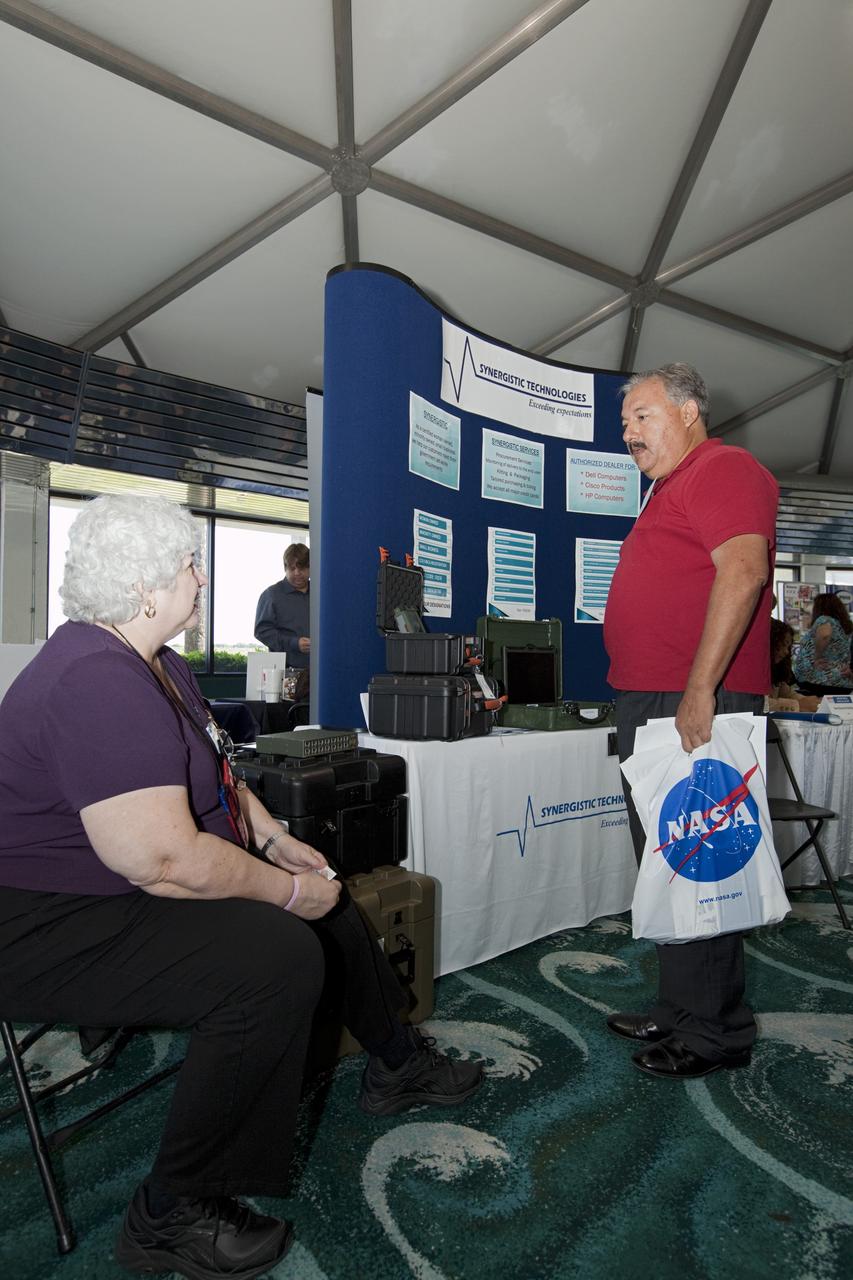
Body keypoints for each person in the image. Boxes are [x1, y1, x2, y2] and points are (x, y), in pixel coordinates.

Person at [0, 495, 482, 1280]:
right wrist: (282, 896)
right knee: (274, 959)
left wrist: (274, 842)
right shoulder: (97, 681)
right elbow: (161, 861)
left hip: (111, 887)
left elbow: (220, 773)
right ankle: (172, 1214)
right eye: (190, 564)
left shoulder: (156, 663)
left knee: (327, 890)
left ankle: (397, 1062)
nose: (201, 576)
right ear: (144, 587)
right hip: (43, 923)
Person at [603, 363, 778, 1081]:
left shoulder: (723, 468)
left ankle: (715, 1033)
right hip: (654, 701)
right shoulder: (669, 487)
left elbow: (743, 571)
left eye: (641, 416)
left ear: (687, 413)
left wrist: (699, 689)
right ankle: (679, 1008)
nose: (628, 433)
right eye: (624, 423)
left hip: (693, 700)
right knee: (669, 862)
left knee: (702, 863)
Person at [254, 543, 310, 668]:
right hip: (285, 670)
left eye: (302, 568)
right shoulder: (271, 595)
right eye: (292, 568)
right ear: (285, 568)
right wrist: (294, 643)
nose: (297, 573)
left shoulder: (321, 594)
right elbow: (262, 632)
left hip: (321, 669)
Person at [792, 592, 853, 695]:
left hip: (819, 680)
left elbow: (825, 635)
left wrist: (817, 657)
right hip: (840, 681)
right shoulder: (844, 626)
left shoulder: (824, 619)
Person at [767, 618, 819, 712]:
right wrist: (798, 705)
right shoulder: (752, 670)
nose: (786, 652)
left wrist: (812, 702)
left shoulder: (775, 671)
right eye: (783, 644)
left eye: (788, 647)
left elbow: (788, 694)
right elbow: (759, 704)